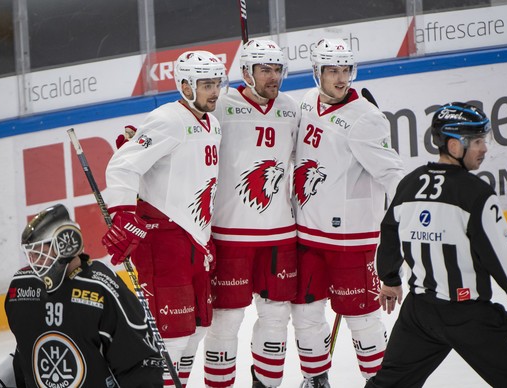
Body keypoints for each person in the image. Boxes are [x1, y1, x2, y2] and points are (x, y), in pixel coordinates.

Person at [366, 102, 507, 388]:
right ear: (454, 146)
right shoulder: (477, 194)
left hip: (419, 313)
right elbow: (501, 255)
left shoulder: (409, 184)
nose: (485, 148)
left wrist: (389, 279)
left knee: (389, 385)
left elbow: (389, 231)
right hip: (467, 314)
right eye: (477, 141)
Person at [101, 50, 227, 387]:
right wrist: (123, 213)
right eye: (205, 84)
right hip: (165, 241)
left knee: (197, 330)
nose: (214, 91)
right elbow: (123, 165)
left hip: (197, 241)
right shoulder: (168, 119)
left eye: (217, 82)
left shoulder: (212, 122)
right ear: (185, 85)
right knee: (170, 339)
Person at [291, 38, 404, 387]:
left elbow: (395, 178)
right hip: (307, 234)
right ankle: (316, 378)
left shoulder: (366, 119)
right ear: (316, 73)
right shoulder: (308, 102)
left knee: (363, 317)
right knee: (306, 314)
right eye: (332, 71)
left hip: (352, 240)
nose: (341, 79)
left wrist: (393, 256)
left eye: (345, 71)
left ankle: (378, 380)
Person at [202, 39, 300, 388]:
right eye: (265, 70)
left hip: (279, 234)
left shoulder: (292, 108)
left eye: (278, 69)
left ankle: (266, 385)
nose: (274, 77)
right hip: (230, 235)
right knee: (225, 320)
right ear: (246, 72)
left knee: (276, 317)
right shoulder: (221, 106)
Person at [0, 204, 164, 387]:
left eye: (41, 253)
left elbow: (138, 362)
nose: (35, 262)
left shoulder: (102, 288)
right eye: (32, 255)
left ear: (66, 246)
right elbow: (25, 350)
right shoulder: (21, 287)